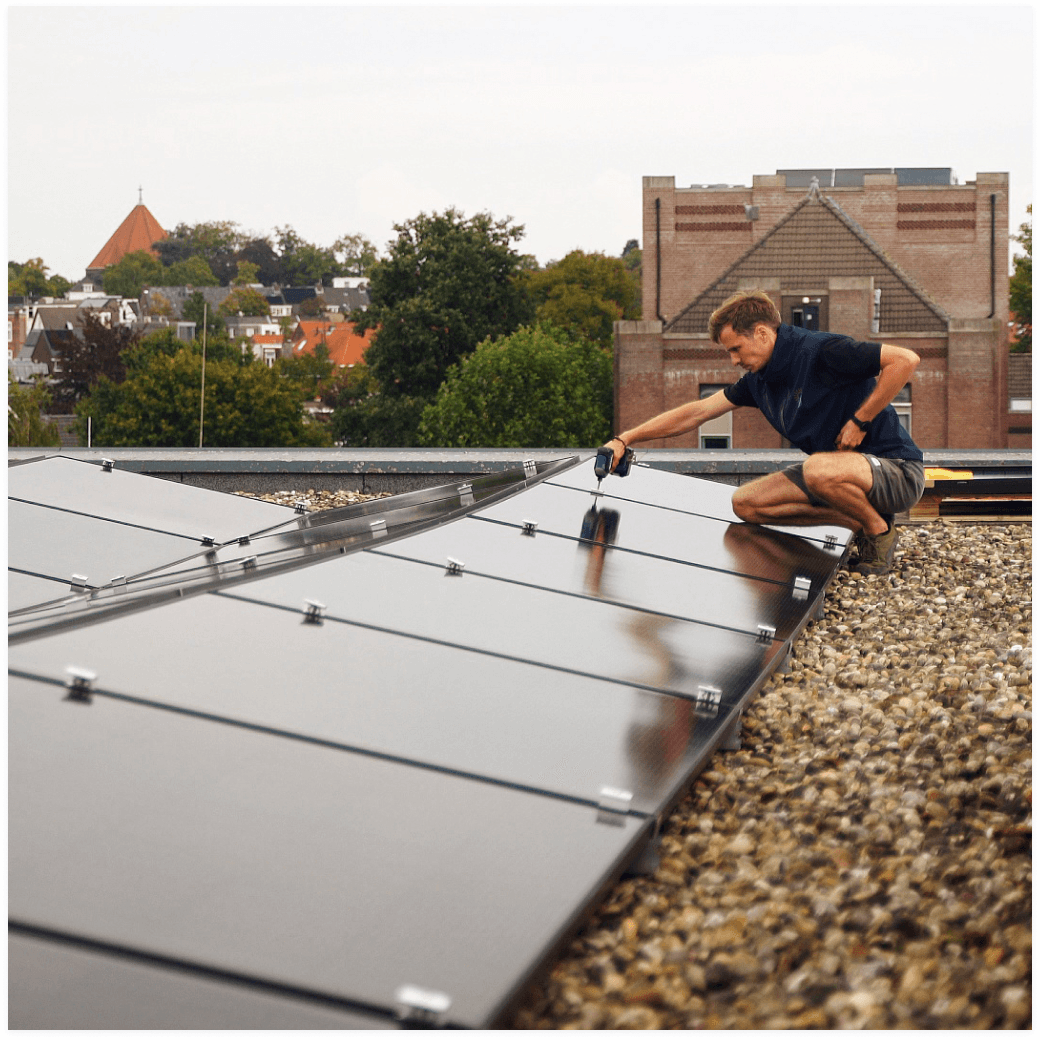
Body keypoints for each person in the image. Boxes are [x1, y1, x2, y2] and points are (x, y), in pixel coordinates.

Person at [603, 289, 925, 575]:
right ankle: (856, 522)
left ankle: (878, 530)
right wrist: (626, 438)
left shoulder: (823, 352)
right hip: (834, 474)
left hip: (896, 471)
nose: (733, 361)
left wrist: (861, 420)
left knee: (816, 469)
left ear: (761, 333)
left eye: (736, 349)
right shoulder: (758, 382)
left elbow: (904, 361)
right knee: (746, 503)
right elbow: (696, 413)